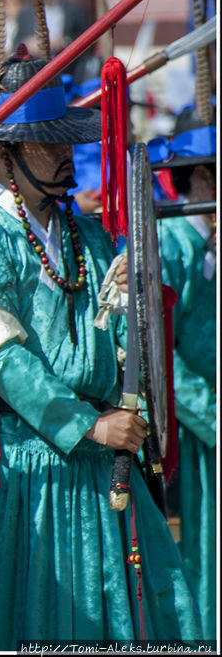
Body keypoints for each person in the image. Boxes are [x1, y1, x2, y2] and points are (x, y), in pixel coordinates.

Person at [0, 7, 202, 647]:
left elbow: (123, 342)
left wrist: (132, 313)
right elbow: (6, 363)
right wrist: (89, 424)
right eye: (48, 144)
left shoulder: (87, 236)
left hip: (99, 466)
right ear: (5, 155)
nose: (67, 158)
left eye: (68, 142)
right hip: (18, 468)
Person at [151, 104, 216, 634]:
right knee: (199, 553)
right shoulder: (169, 242)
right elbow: (158, 351)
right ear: (201, 176)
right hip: (193, 436)